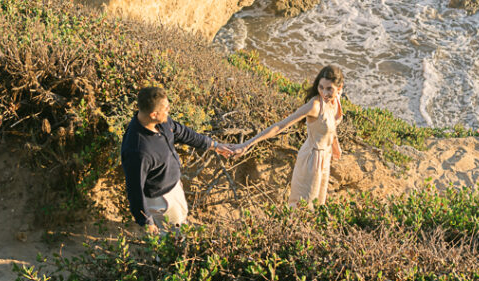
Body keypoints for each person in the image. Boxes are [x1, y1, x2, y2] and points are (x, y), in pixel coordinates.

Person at [121, 85, 232, 234]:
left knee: (180, 221)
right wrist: (146, 221)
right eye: (166, 108)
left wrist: (214, 145)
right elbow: (134, 188)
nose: (169, 111)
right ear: (153, 114)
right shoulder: (138, 150)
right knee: (172, 236)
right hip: (161, 199)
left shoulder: (162, 122)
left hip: (173, 187)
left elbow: (184, 133)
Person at [236, 65, 344, 207]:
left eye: (329, 88)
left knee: (318, 206)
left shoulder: (335, 100)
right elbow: (280, 126)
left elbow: (331, 124)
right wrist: (246, 144)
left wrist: (335, 145)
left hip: (325, 158)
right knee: (303, 207)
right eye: (321, 87)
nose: (324, 93)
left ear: (339, 88)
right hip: (311, 160)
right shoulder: (315, 105)